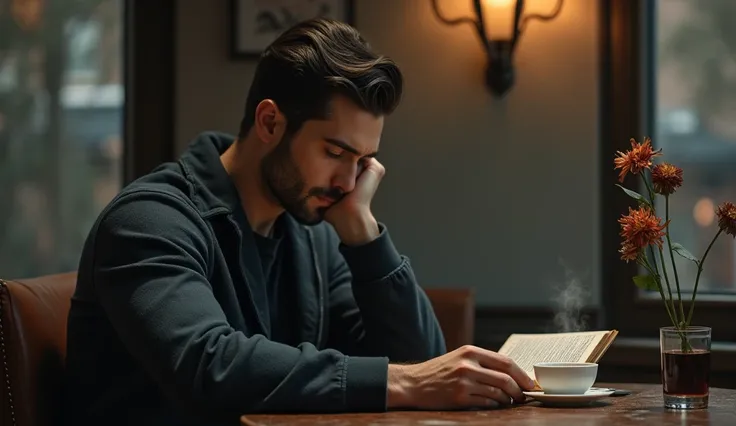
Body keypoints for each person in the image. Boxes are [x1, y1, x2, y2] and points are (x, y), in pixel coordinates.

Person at [64, 17, 535, 426]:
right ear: (269, 123)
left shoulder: (311, 234)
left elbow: (423, 362)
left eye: (364, 161)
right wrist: (403, 382)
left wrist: (363, 234)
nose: (349, 181)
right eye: (335, 152)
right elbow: (209, 367)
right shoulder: (148, 221)